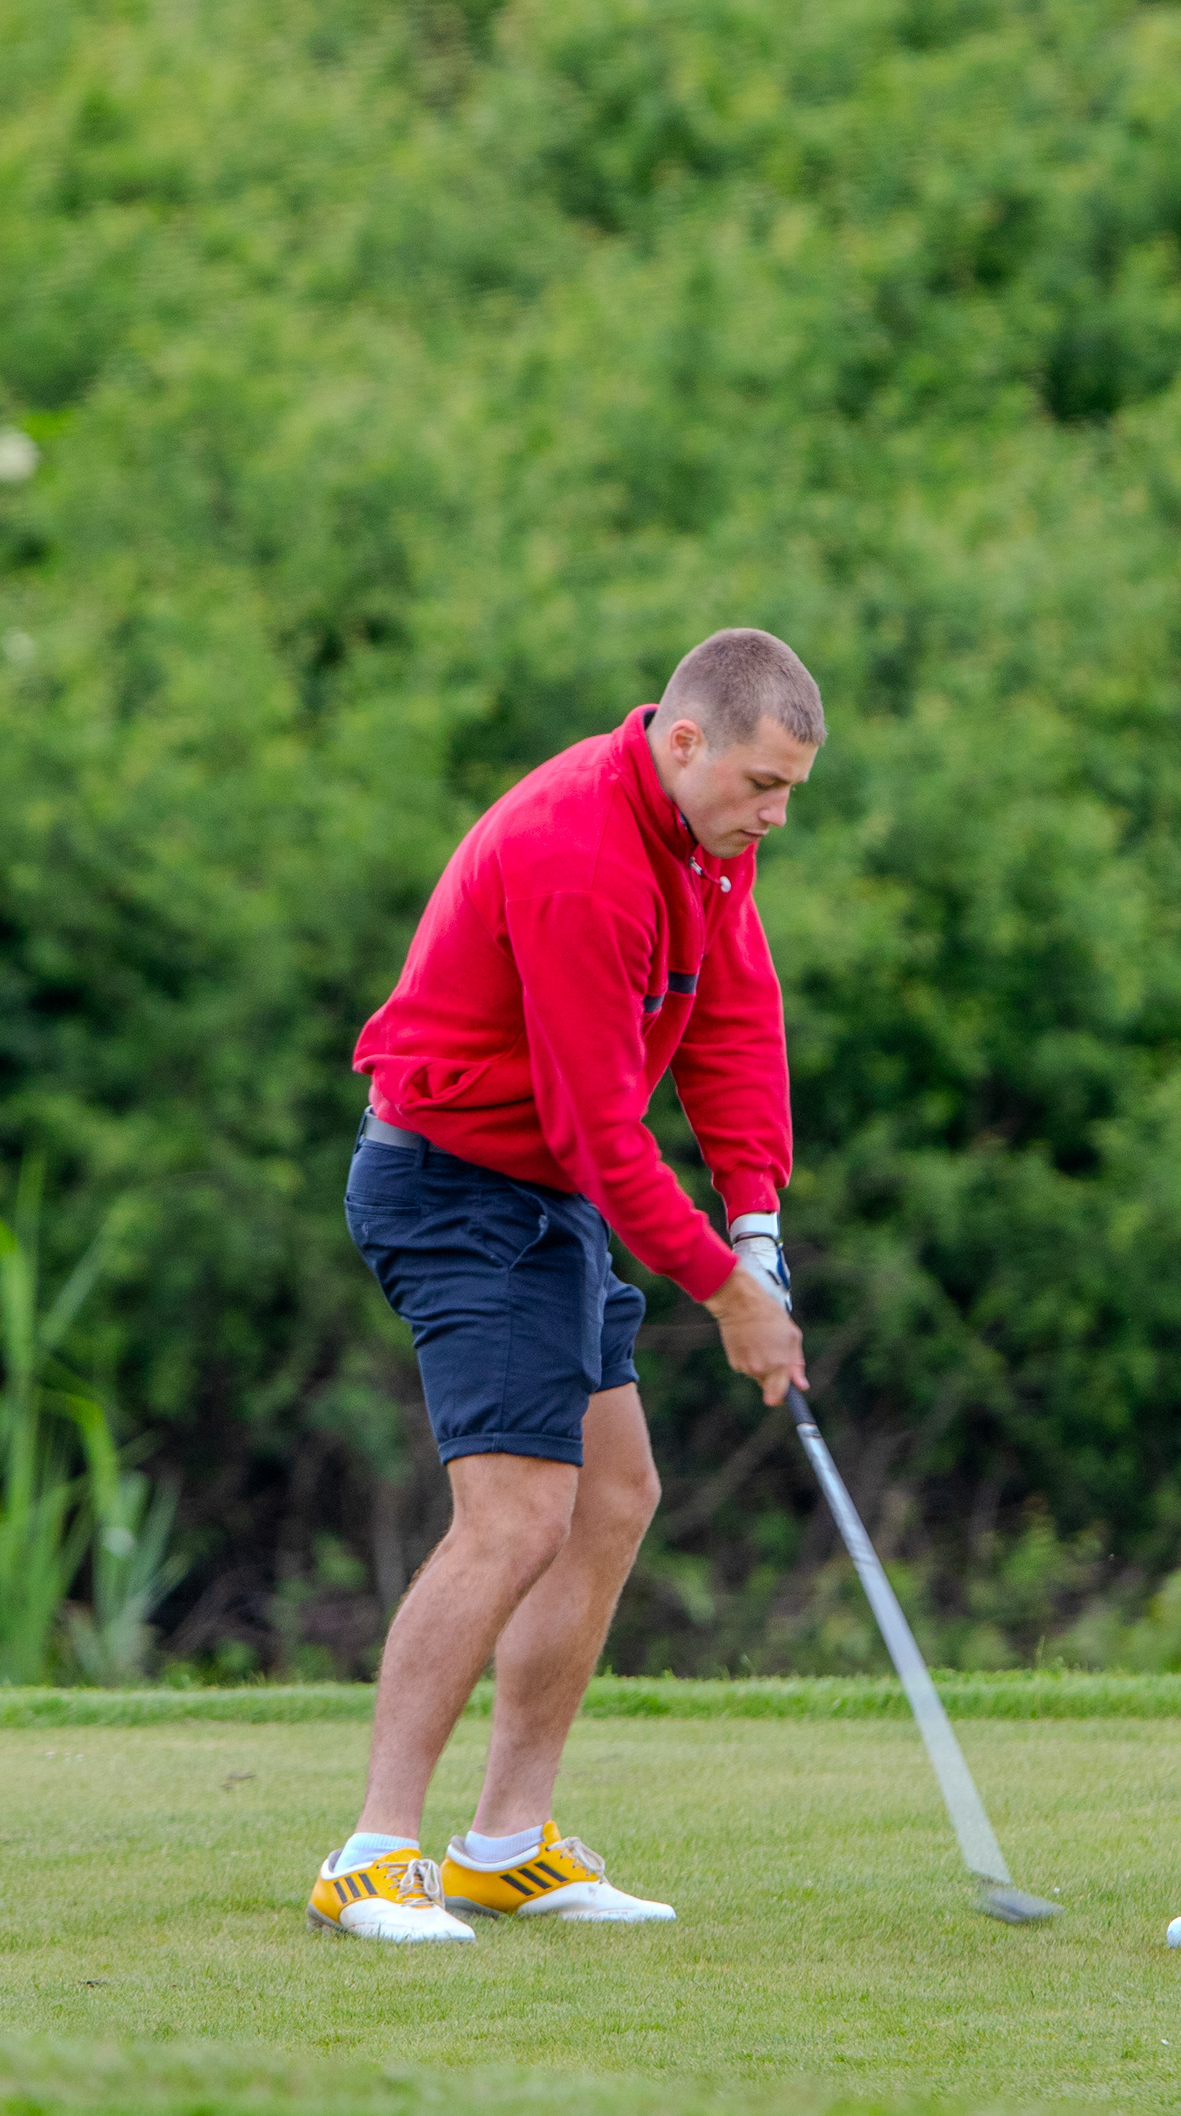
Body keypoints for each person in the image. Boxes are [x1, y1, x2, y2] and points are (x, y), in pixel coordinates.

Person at [305, 628, 820, 1942]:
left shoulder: (709, 842)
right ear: (686, 740)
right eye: (764, 785)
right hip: (455, 1188)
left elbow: (734, 1022)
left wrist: (757, 1228)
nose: (775, 815)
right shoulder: (582, 854)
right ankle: (370, 1855)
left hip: (543, 1195)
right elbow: (598, 1131)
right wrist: (724, 1293)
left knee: (612, 1496)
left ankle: (502, 1845)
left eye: (790, 792)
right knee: (516, 1518)